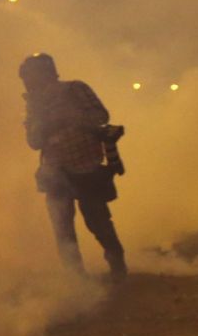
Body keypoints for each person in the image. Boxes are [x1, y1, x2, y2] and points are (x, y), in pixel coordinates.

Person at [20, 53, 128, 282]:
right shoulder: (34, 106)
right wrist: (42, 121)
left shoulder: (74, 89)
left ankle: (117, 266)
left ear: (47, 73)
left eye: (32, 76)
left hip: (87, 166)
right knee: (63, 229)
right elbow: (34, 142)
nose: (29, 83)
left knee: (97, 221)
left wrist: (69, 118)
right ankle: (76, 279)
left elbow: (100, 115)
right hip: (54, 172)